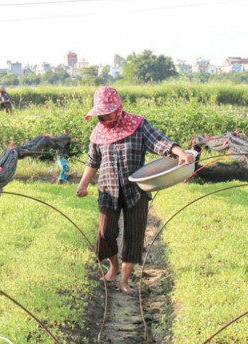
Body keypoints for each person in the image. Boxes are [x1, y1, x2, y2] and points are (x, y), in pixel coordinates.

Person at [76, 87, 195, 293]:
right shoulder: (97, 133)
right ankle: (113, 266)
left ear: (118, 107)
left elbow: (160, 141)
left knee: (134, 235)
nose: (104, 116)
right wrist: (83, 184)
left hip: (136, 190)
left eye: (107, 111)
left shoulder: (138, 124)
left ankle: (124, 280)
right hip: (108, 190)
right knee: (105, 234)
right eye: (101, 113)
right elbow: (93, 161)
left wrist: (180, 152)